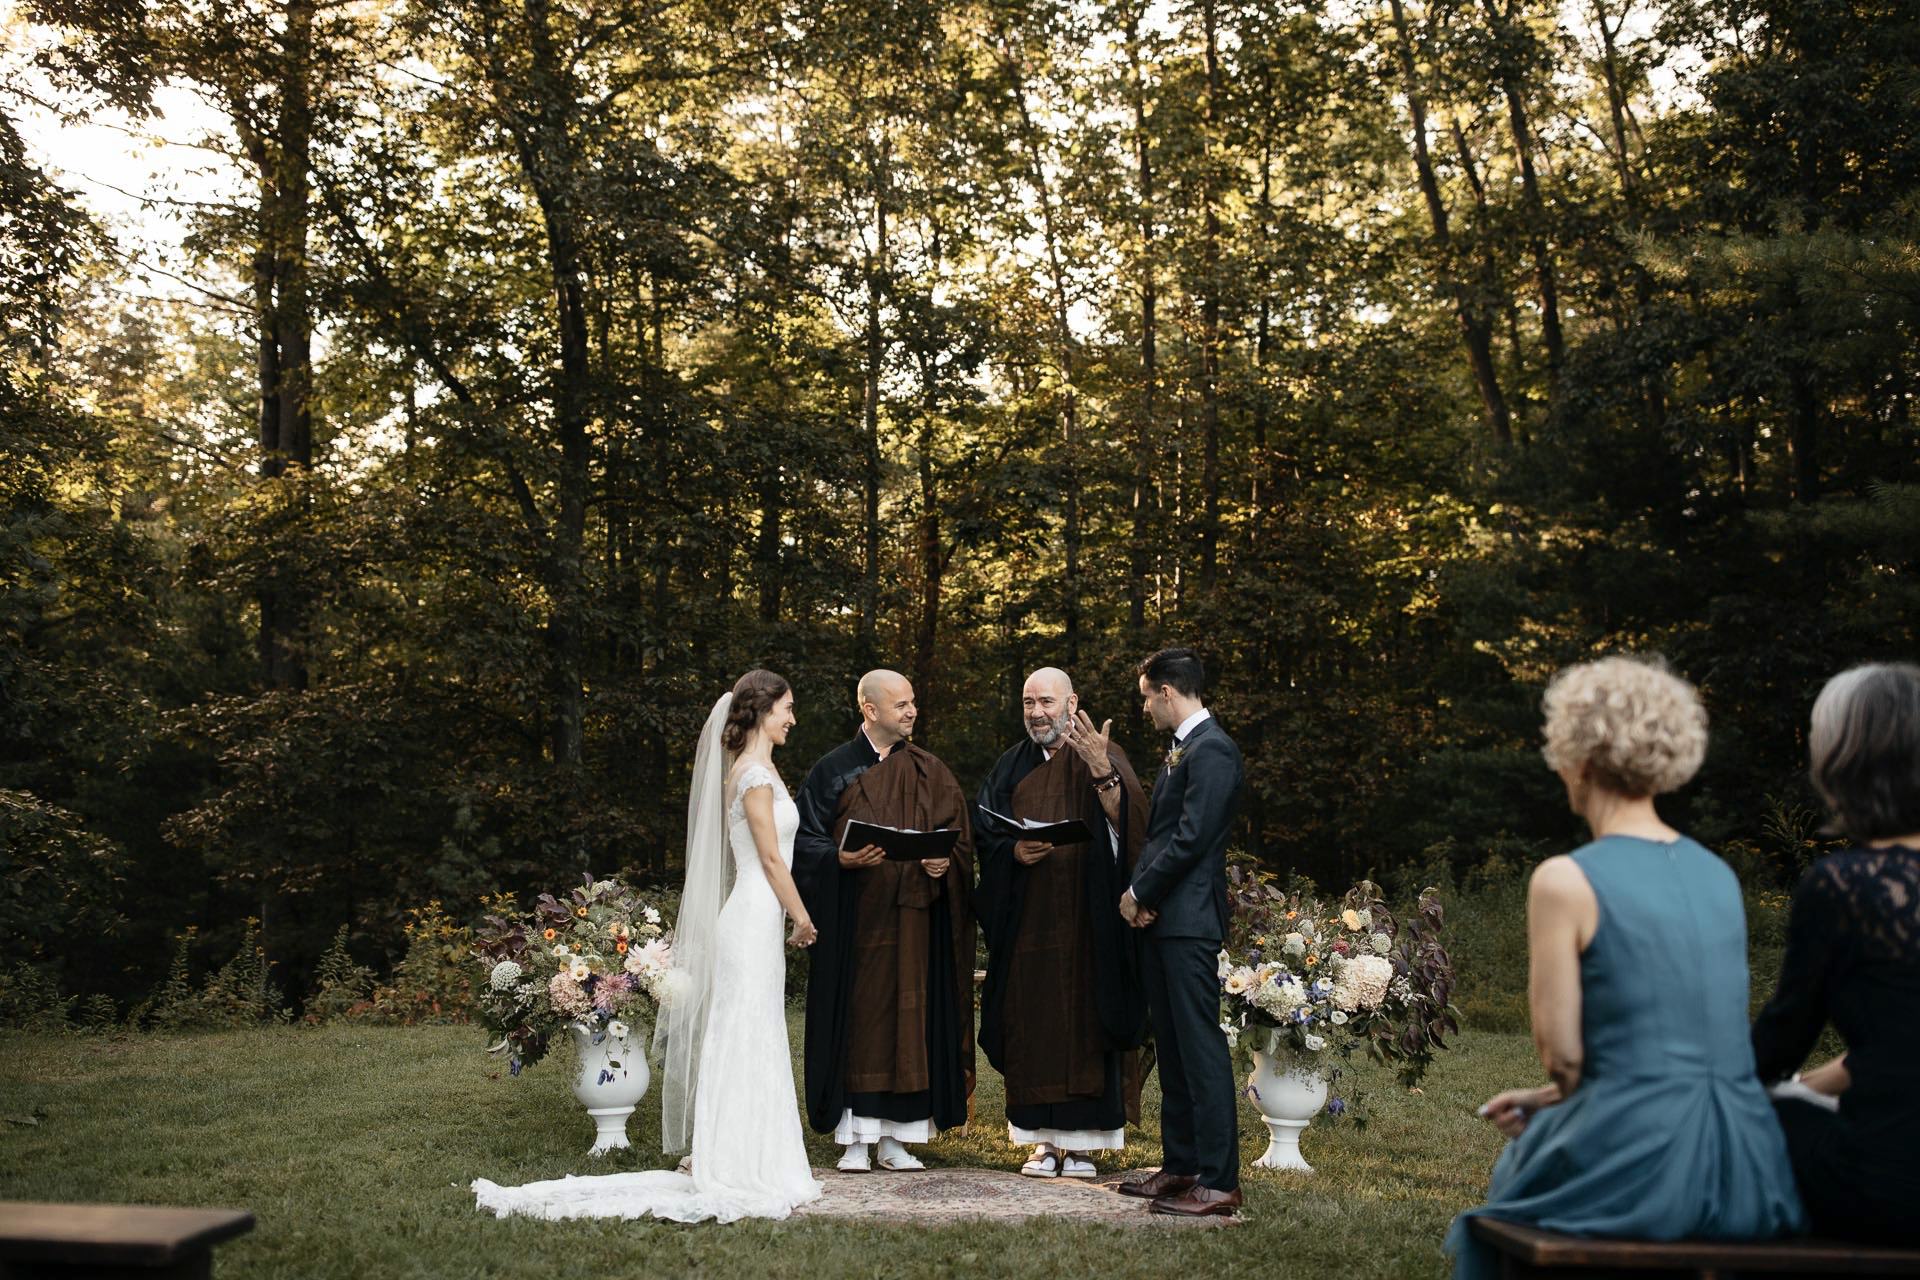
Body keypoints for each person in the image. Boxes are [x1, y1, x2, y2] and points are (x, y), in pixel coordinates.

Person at [1447, 656, 1803, 1276]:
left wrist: (1552, 1098)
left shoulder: (1566, 879)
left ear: (1578, 760)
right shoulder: (1718, 875)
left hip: (1643, 1167)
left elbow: (1565, 1057)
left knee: (1512, 1184)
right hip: (1745, 1159)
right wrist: (1543, 1097)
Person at [472, 670, 824, 1222]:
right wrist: (801, 916)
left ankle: (760, 1155)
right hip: (754, 915)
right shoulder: (753, 775)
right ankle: (737, 1163)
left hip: (758, 915)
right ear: (761, 710)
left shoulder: (763, 769)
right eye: (787, 707)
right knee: (744, 1029)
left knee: (757, 1029)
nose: (792, 718)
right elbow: (771, 859)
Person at [1751, 662, 1920, 1245]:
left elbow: (1775, 1048)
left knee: (1746, 1122)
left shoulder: (1845, 886)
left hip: (1889, 1185)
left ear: (1844, 762)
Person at [793, 669, 976, 1173]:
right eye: (900, 705)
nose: (911, 711)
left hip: (915, 922)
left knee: (911, 1023)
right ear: (870, 711)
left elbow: (958, 839)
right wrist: (839, 860)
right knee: (862, 1022)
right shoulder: (833, 771)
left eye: (913, 702)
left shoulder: (931, 771)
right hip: (857, 922)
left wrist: (944, 863)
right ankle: (856, 1137)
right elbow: (803, 841)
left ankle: (899, 1137)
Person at [976, 667, 1149, 1179]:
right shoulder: (1011, 766)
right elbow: (986, 832)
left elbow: (1135, 826)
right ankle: (1042, 1144)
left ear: (1072, 702)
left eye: (1046, 702)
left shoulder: (1103, 753)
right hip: (1030, 924)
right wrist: (1013, 850)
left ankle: (1083, 1146)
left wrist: (1101, 772)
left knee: (1086, 1023)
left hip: (1090, 921)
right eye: (1028, 703)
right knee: (1033, 1027)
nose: (1036, 713)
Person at [1115, 647, 1246, 1218]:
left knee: (1200, 1049)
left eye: (1147, 696)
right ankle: (1182, 1166)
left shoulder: (1213, 750)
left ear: (1168, 691)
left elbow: (1192, 839)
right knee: (1170, 1047)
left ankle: (1219, 1181)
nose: (1145, 707)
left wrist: (1141, 894)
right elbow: (1163, 836)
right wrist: (1145, 900)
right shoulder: (1182, 749)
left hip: (1189, 923)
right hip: (1167, 920)